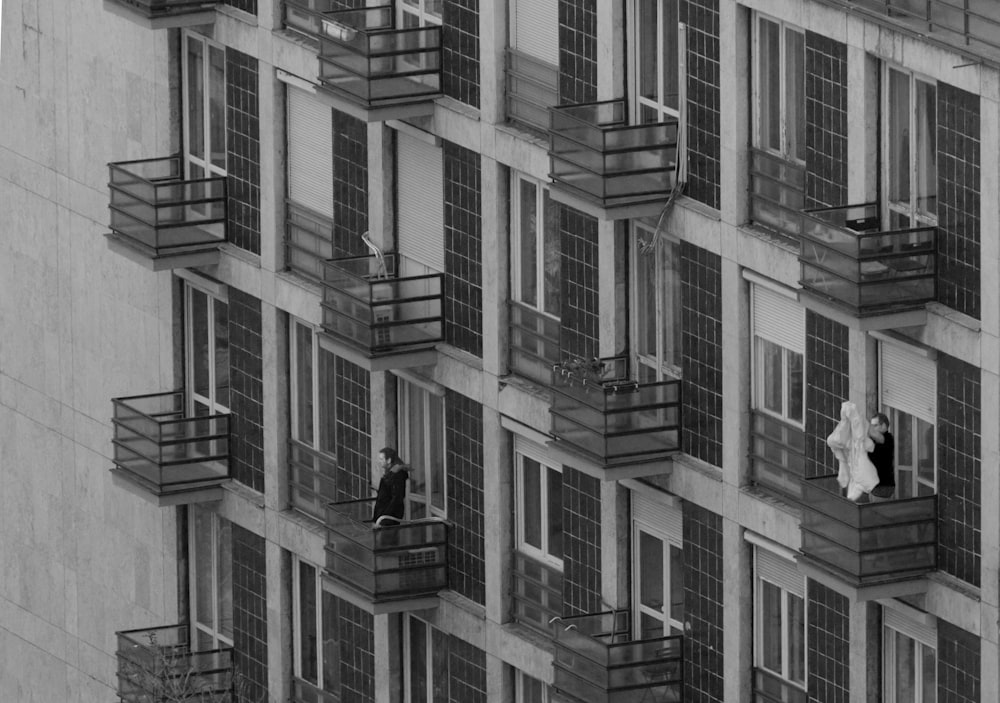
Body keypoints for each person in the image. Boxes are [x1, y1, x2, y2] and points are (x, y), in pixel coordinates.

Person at [371, 447, 409, 526]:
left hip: (388, 516)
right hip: (385, 514)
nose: (379, 461)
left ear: (388, 460)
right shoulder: (391, 473)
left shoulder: (397, 475)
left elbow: (396, 498)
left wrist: (384, 516)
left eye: (381, 459)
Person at [868, 412, 895, 499]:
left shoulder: (885, 440)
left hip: (881, 487)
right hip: (881, 486)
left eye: (875, 425)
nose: (872, 429)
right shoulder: (886, 439)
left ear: (883, 426)